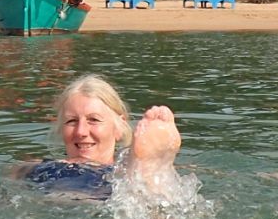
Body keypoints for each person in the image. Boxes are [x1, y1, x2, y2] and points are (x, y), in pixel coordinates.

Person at [16, 74, 181, 199]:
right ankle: (151, 181)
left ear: (119, 128)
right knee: (146, 199)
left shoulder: (43, 169)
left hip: (82, 191)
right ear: (61, 130)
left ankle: (147, 179)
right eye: (72, 121)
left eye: (93, 120)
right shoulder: (41, 168)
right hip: (116, 192)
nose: (81, 131)